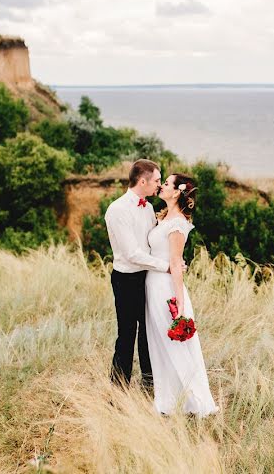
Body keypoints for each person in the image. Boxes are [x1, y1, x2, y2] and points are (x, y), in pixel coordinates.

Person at [143, 172, 218, 416]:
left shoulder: (177, 224)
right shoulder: (165, 218)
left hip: (165, 289)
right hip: (153, 285)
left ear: (177, 192)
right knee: (159, 345)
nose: (162, 186)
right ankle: (168, 401)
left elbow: (175, 264)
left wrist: (180, 304)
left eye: (166, 183)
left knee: (173, 345)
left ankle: (195, 401)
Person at [104, 159, 170, 391]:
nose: (159, 186)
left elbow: (153, 241)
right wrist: (166, 266)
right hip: (127, 280)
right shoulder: (117, 210)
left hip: (149, 278)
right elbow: (132, 253)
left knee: (149, 332)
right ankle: (118, 388)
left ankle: (150, 383)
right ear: (142, 181)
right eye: (156, 181)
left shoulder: (149, 207)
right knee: (127, 335)